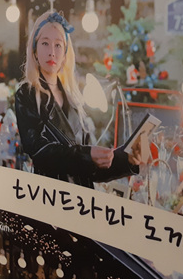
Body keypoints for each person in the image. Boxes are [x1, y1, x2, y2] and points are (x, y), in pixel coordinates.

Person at [15, 11, 142, 188]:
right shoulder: (27, 94)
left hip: (81, 199)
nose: (52, 52)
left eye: (58, 45)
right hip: (51, 196)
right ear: (35, 51)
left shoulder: (73, 99)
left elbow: (92, 169)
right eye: (45, 43)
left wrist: (125, 159)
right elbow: (40, 152)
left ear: (65, 54)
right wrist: (87, 154)